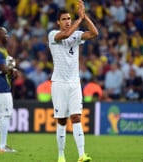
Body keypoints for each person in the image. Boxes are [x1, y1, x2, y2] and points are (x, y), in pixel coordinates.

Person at [48, 1, 98, 161]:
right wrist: (79, 19)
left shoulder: (76, 35)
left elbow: (94, 33)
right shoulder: (53, 35)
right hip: (59, 84)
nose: (67, 21)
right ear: (58, 22)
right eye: (64, 19)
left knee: (76, 117)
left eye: (69, 18)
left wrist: (85, 17)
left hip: (74, 83)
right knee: (62, 121)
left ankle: (81, 155)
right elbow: (66, 35)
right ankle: (61, 155)